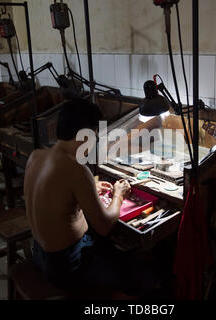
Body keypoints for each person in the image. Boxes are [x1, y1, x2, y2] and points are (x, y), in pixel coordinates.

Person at [24, 98, 163, 297]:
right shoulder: (76, 169)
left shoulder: (36, 156)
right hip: (67, 266)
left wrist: (91, 187)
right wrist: (118, 194)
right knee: (145, 270)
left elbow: (55, 193)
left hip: (39, 252)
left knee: (108, 247)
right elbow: (105, 226)